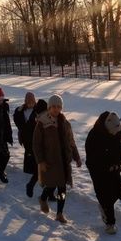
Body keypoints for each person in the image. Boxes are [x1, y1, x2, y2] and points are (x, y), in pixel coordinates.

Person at [33, 93, 82, 223]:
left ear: (61, 108)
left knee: (62, 188)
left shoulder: (65, 124)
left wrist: (76, 157)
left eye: (58, 106)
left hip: (64, 162)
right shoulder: (42, 123)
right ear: (49, 108)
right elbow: (36, 144)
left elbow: (71, 142)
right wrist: (41, 161)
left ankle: (59, 213)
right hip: (50, 161)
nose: (56, 109)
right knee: (51, 185)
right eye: (53, 106)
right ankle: (43, 198)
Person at [85, 111, 121, 234]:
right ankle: (110, 224)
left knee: (119, 192)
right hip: (97, 169)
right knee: (105, 194)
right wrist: (106, 166)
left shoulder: (117, 128)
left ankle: (103, 206)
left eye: (118, 131)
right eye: (113, 132)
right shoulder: (94, 135)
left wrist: (117, 163)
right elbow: (93, 157)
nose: (116, 134)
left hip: (113, 166)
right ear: (106, 127)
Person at [13, 93, 46, 197]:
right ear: (25, 101)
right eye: (28, 100)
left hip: (37, 138)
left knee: (38, 157)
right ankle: (32, 173)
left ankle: (36, 177)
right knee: (29, 153)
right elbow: (17, 121)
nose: (30, 102)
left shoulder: (39, 109)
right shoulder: (20, 110)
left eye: (32, 100)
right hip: (26, 137)